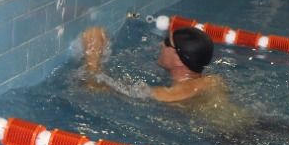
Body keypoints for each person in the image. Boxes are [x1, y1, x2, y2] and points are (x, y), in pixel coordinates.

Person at [80, 25, 223, 103]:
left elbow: (95, 88)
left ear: (179, 59)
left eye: (167, 42)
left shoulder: (170, 95)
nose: (162, 44)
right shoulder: (212, 81)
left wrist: (92, 56)